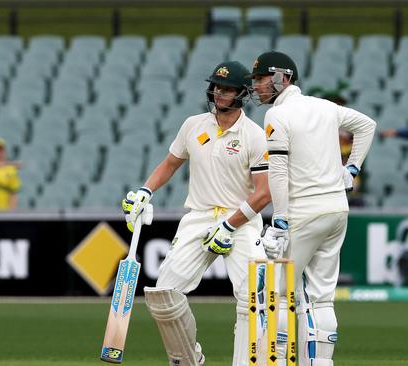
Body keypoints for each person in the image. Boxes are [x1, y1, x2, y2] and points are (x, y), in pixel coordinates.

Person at [123, 61, 271, 366]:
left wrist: (229, 226)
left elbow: (263, 193)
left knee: (251, 300)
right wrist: (145, 191)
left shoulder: (254, 135)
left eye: (227, 89)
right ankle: (188, 360)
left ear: (242, 93)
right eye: (217, 86)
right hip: (199, 216)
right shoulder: (193, 124)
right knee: (163, 295)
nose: (219, 93)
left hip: (240, 220)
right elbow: (169, 164)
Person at [250, 51, 376, 366]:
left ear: (283, 77)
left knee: (280, 295)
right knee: (322, 297)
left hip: (303, 213)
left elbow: (278, 172)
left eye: (261, 78)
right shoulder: (325, 107)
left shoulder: (277, 116)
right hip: (336, 209)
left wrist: (279, 220)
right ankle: (322, 362)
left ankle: (277, 361)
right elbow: (367, 126)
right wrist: (352, 170)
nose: (257, 86)